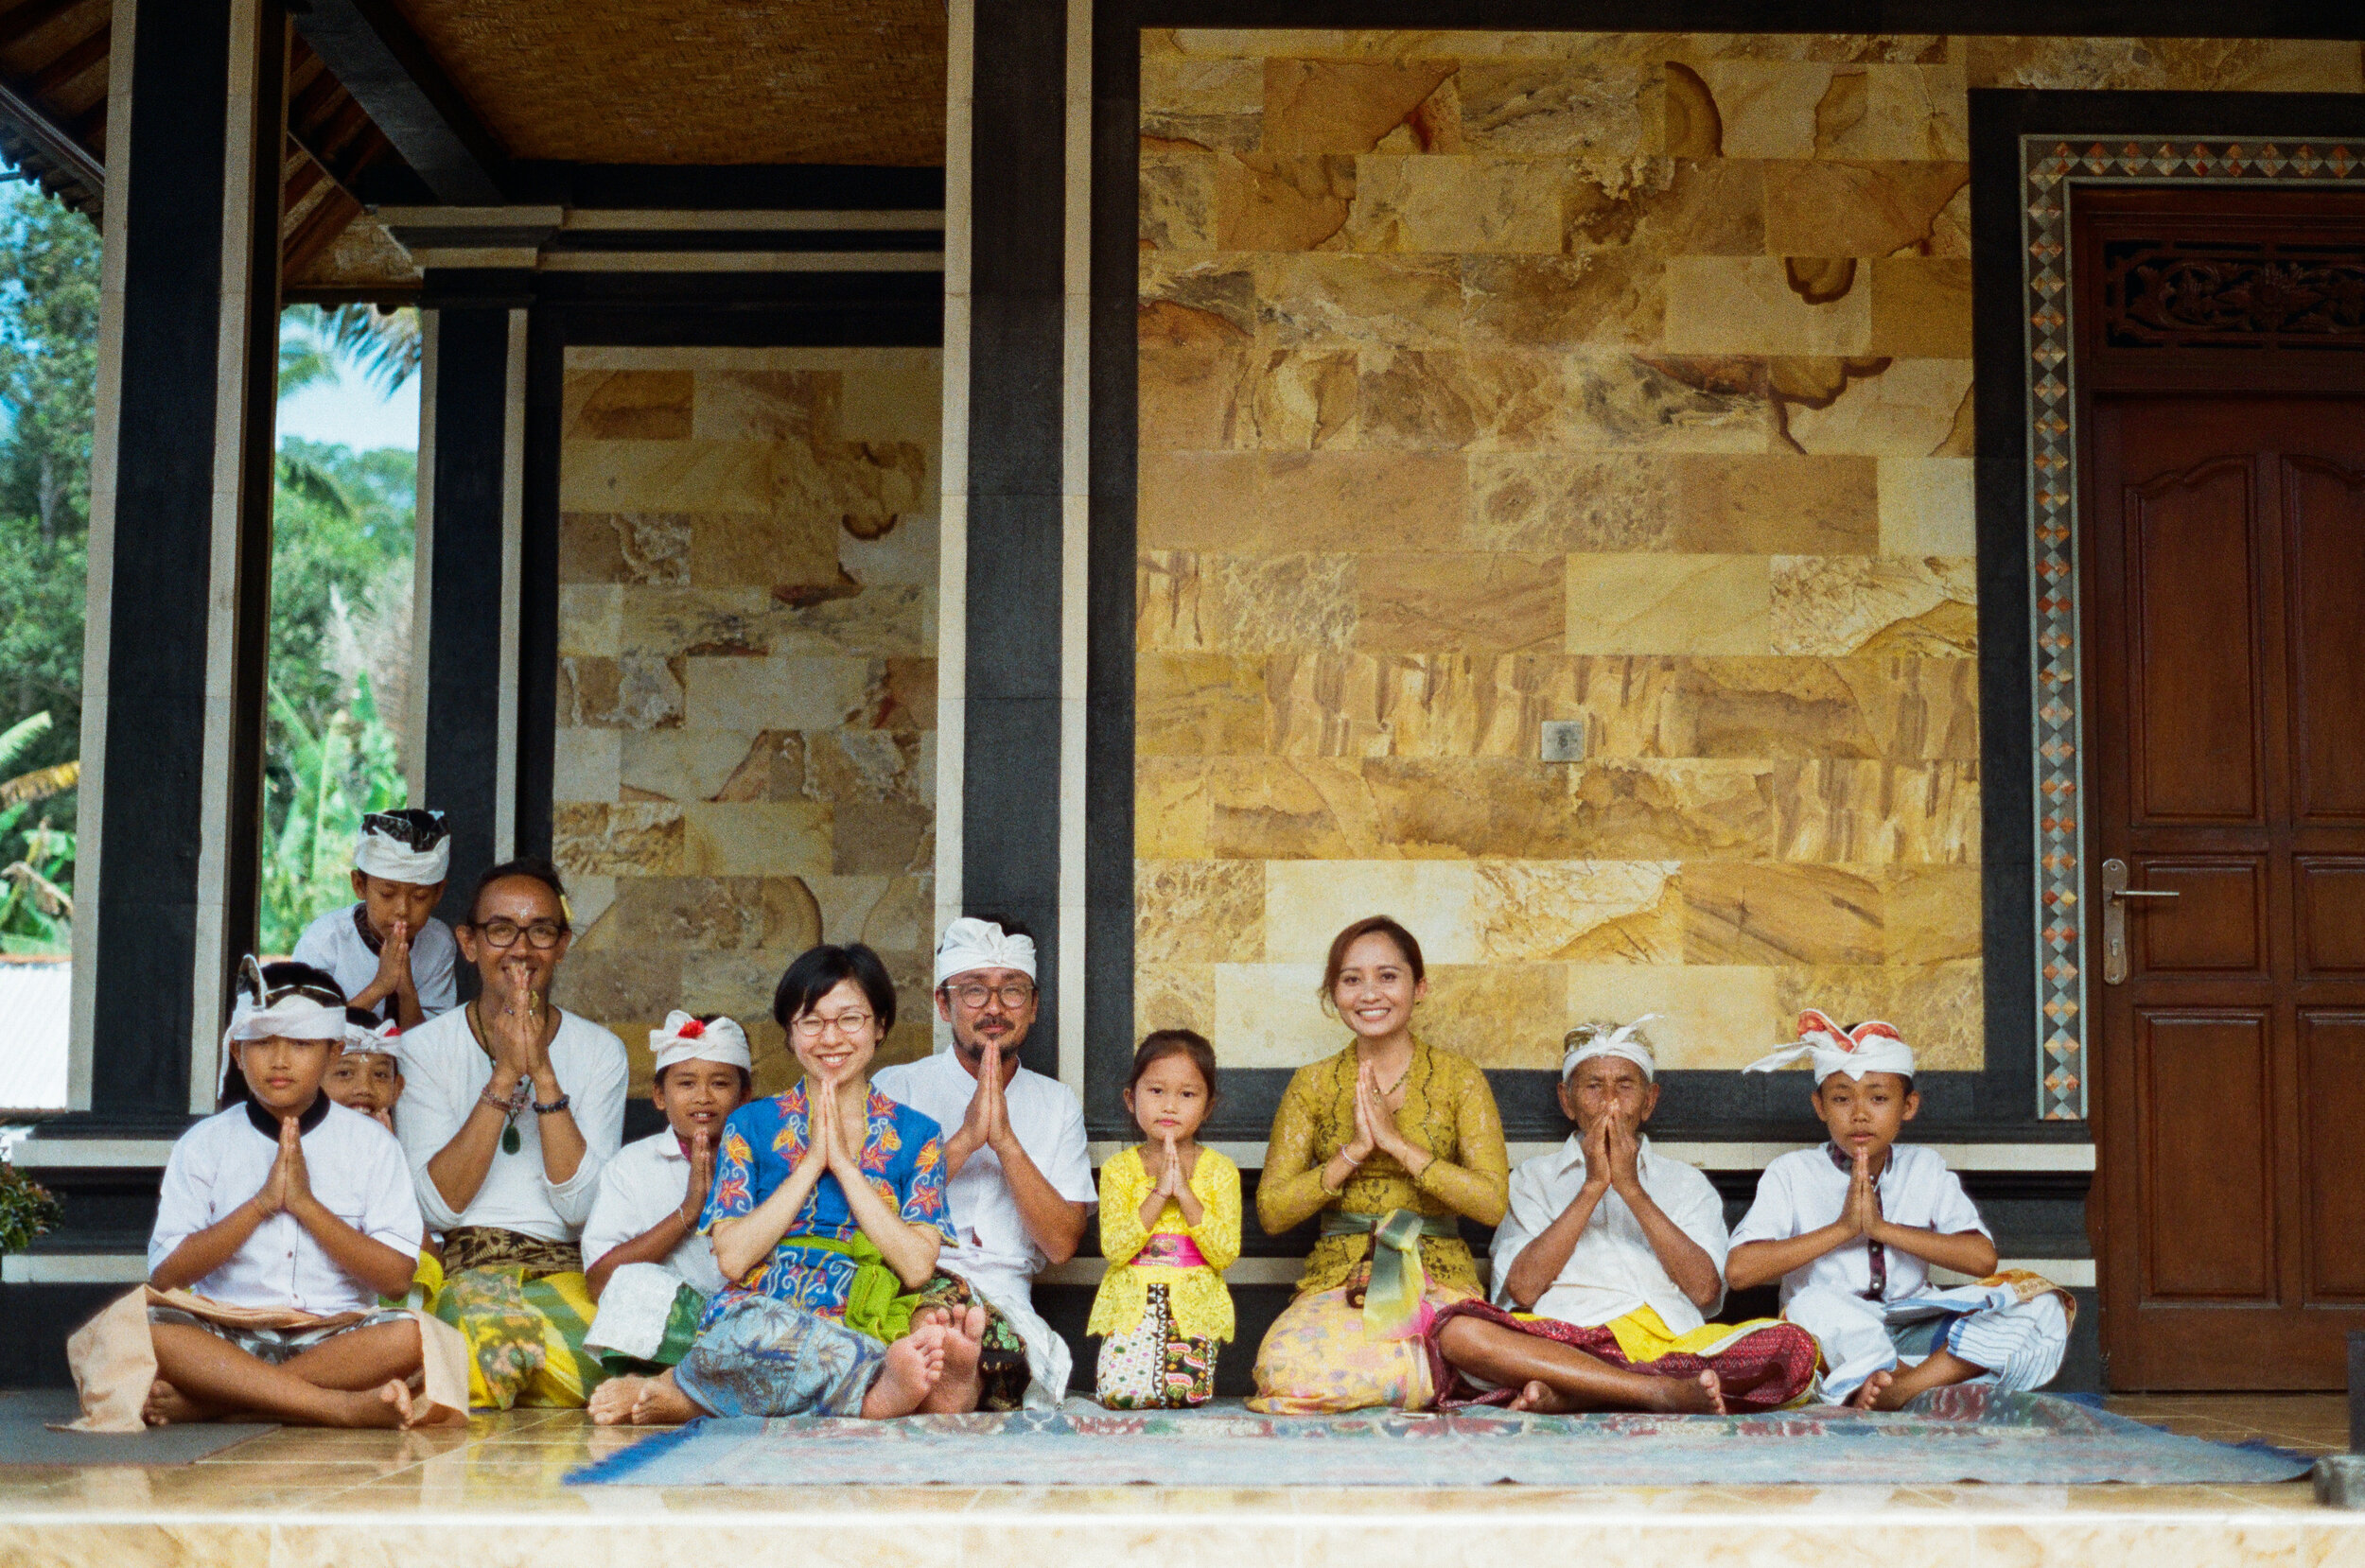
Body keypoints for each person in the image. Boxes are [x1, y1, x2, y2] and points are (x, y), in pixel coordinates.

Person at [589, 943, 978, 1424]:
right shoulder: (750, 1126)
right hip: (766, 1307)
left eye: (850, 1019)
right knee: (754, 1330)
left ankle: (687, 1394)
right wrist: (813, 1162)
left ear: (879, 1027)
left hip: (861, 1303)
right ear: (791, 1035)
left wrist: (847, 1168)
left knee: (931, 1315)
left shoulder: (919, 1134)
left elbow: (917, 1266)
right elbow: (732, 1258)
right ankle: (876, 1394)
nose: (830, 1038)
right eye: (811, 1022)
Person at [1424, 1019, 1818, 1415]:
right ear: (1567, 1100)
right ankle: (1650, 1393)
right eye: (1593, 1086)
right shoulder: (1532, 1180)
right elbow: (1523, 1291)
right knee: (1459, 1335)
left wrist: (1631, 1188)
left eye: (1625, 1086)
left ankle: (1577, 1394)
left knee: (1795, 1347)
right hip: (1564, 1343)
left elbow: (1705, 1292)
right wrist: (1593, 1187)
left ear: (1649, 1101)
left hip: (1673, 1350)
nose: (1610, 1101)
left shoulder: (1686, 1183)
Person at [133, 959, 430, 1428]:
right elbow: (167, 1275)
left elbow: (395, 1280)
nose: (279, 1059)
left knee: (409, 1336)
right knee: (148, 1329)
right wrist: (260, 1206)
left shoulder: (373, 1145)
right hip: (225, 1332)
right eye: (263, 1042)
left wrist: (306, 1206)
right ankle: (338, 1408)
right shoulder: (203, 1144)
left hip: (334, 1337)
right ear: (236, 1053)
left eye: (300, 1043)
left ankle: (221, 1404)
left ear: (334, 1054)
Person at [1726, 1011, 2075, 1409]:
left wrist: (1881, 1228)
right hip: (1837, 1334)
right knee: (1807, 1305)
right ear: (1819, 1106)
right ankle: (1897, 1377)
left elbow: (1982, 1260)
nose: (1859, 1113)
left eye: (1878, 1098)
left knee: (2041, 1306)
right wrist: (1843, 1229)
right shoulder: (1790, 1172)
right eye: (1841, 1098)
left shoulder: (1925, 1167)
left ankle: (1902, 1386)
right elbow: (1739, 1271)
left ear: (1908, 1106)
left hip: (1916, 1327)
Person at [393, 858, 629, 1410]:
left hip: (567, 1270)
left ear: (562, 945)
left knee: (613, 1367)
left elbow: (584, 1209)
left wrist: (542, 1073)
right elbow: (441, 1207)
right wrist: (503, 1075)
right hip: (467, 1269)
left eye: (541, 931)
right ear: (469, 943)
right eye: (501, 930)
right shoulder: (424, 1050)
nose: (521, 949)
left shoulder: (600, 1052)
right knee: (483, 1348)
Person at [1250, 915, 1509, 1414]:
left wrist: (1397, 1145)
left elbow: (1493, 1204)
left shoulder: (1460, 1079)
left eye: (1388, 976)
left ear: (1420, 987)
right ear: (1333, 994)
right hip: (1340, 1282)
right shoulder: (1314, 1083)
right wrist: (1354, 1152)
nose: (1370, 993)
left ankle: (1429, 1378)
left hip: (1437, 1277)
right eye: (1352, 979)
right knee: (1287, 1373)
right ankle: (1435, 1386)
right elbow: (1273, 1212)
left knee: (1445, 1348)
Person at [871, 915, 1096, 1410]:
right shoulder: (897, 1089)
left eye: (1012, 991)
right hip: (906, 1281)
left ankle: (954, 1375)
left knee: (987, 1345)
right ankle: (945, 1370)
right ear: (943, 1004)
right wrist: (967, 1140)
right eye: (974, 991)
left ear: (1033, 1006)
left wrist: (1007, 1144)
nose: (994, 1008)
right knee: (917, 1325)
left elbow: (1061, 1244)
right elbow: (871, 1216)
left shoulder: (1057, 1103)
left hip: (1003, 1298)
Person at [578, 1011, 752, 1375]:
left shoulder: (769, 1158)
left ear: (745, 1096)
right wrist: (689, 1211)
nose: (703, 1097)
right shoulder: (631, 1167)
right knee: (637, 1282)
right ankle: (670, 1383)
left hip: (749, 1322)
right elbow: (600, 1282)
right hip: (669, 1334)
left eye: (720, 1084)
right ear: (659, 1095)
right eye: (686, 1084)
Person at [1089, 1029, 1239, 1409]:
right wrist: (1158, 1193)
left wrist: (1185, 1193)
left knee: (1183, 1393)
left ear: (1207, 1107)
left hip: (1193, 1304)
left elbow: (1224, 1253)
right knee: (1119, 1394)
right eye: (1156, 1091)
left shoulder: (1221, 1171)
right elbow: (1115, 1249)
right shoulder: (1118, 1170)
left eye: (1187, 1095)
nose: (1170, 1106)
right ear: (1130, 1098)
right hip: (1132, 1302)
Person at [291, 809, 458, 1030]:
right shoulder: (325, 941)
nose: (402, 910)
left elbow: (430, 1047)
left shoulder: (439, 945)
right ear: (360, 886)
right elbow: (305, 1035)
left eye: (420, 896)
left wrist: (406, 992)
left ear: (438, 894)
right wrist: (380, 987)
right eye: (387, 894)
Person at [324, 1009, 404, 1131]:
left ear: (396, 1089)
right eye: (345, 1073)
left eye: (380, 1074)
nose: (364, 1088)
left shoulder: (391, 1148)